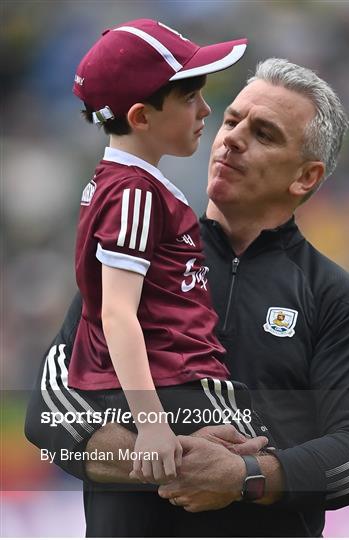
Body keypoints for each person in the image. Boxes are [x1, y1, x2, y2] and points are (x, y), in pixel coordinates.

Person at [25, 58, 349, 537]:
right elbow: (51, 410)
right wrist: (159, 459)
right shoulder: (130, 258)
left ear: (305, 177)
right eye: (232, 120)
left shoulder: (341, 303)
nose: (232, 138)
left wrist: (244, 477)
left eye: (264, 134)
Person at [64, 17, 274, 487]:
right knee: (278, 468)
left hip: (170, 391)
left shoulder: (127, 184)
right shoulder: (135, 193)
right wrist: (154, 424)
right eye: (188, 97)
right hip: (168, 392)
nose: (205, 110)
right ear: (140, 117)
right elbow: (118, 313)